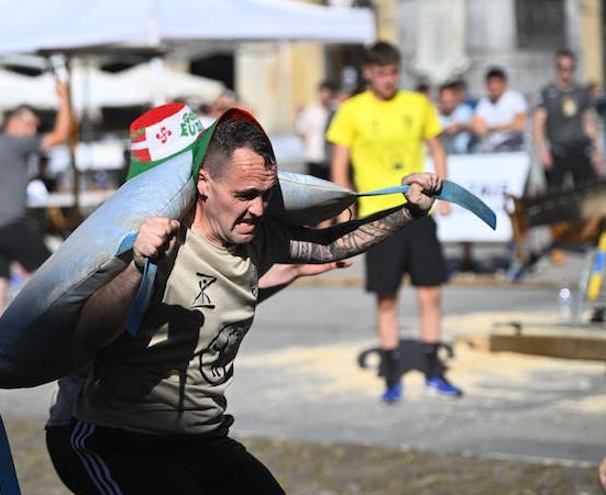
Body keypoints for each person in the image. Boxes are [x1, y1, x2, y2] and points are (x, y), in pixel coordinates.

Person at [59, 102, 442, 493]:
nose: (257, 209)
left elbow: (329, 245)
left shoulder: (255, 237)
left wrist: (407, 212)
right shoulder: (146, 240)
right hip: (120, 440)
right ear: (202, 182)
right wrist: (137, 264)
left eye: (264, 194)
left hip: (203, 438)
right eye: (244, 195)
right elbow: (85, 336)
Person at [327, 41, 461, 403]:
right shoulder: (351, 110)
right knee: (387, 296)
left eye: (393, 73)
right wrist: (344, 209)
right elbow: (340, 165)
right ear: (369, 72)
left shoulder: (416, 104)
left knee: (431, 290)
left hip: (417, 210)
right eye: (381, 73)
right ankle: (391, 373)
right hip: (377, 217)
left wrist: (443, 192)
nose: (388, 80)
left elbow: (437, 149)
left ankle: (434, 370)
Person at [0, 81, 71, 333]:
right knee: (50, 271)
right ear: (14, 123)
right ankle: (54, 327)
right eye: (30, 126)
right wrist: (64, 98)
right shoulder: (15, 142)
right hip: (7, 222)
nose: (33, 132)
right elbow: (61, 136)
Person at [533, 49, 604, 190]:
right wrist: (542, 152)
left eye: (569, 68)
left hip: (580, 149)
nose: (566, 72)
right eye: (562, 68)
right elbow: (538, 126)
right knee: (554, 195)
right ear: (557, 68)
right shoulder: (548, 93)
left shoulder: (581, 92)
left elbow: (589, 124)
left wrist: (597, 152)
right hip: (557, 152)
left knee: (586, 193)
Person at [471, 67, 527, 152]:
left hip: (515, 148)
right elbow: (477, 126)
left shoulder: (515, 98)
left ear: (504, 83)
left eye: (497, 82)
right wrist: (508, 126)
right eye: (491, 83)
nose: (494, 86)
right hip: (493, 149)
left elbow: (520, 124)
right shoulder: (484, 103)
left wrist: (492, 128)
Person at [295, 81, 337, 180]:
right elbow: (301, 131)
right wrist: (309, 145)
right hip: (314, 156)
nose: (325, 96)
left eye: (328, 93)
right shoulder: (310, 111)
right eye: (323, 92)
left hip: (330, 158)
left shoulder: (336, 110)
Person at [437, 81, 475, 155]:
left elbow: (476, 127)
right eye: (444, 99)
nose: (447, 102)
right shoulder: (435, 115)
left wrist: (461, 126)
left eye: (449, 99)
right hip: (444, 154)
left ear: (456, 98)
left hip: (466, 154)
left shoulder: (465, 111)